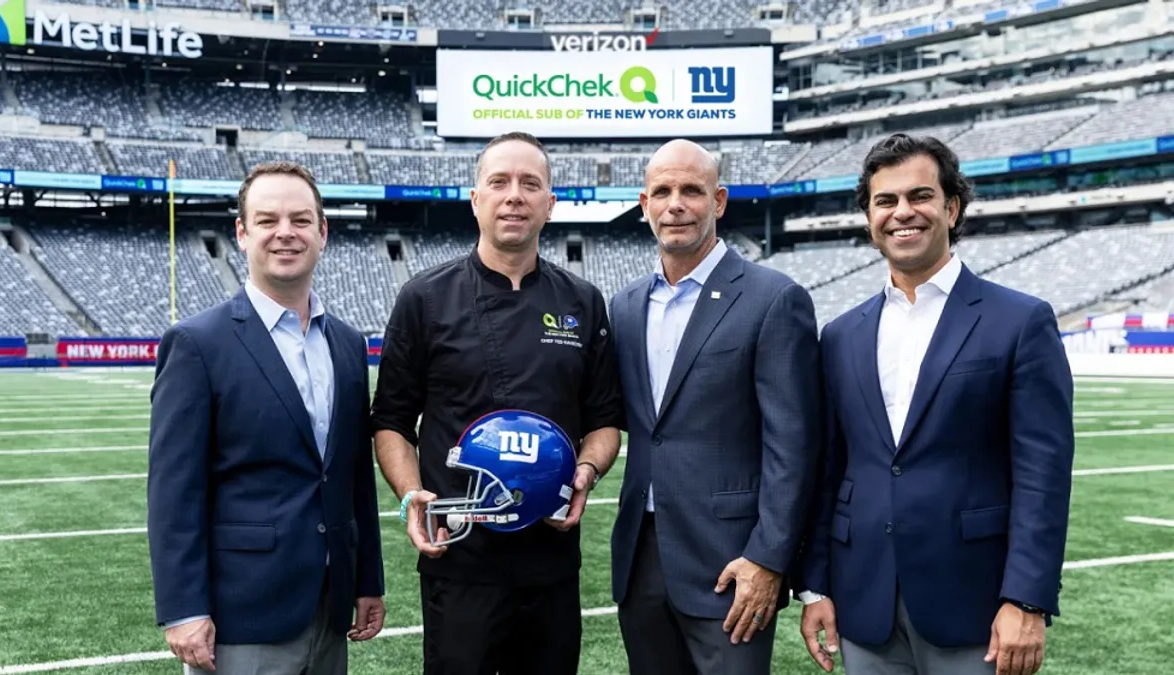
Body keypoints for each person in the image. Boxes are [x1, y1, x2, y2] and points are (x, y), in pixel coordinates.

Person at [792, 133, 1075, 675]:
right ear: (868, 217)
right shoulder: (842, 333)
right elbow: (829, 472)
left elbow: (1044, 473)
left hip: (976, 602)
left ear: (951, 206)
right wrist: (814, 586)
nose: (903, 213)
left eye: (919, 196)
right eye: (885, 201)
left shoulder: (1019, 320)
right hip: (862, 598)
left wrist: (1028, 599)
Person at [370, 130, 625, 675]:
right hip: (459, 555)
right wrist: (412, 493)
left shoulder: (583, 301)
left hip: (550, 557)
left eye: (530, 184)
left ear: (550, 204)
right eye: (499, 182)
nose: (515, 195)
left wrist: (585, 472)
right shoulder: (423, 297)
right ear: (475, 199)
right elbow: (391, 421)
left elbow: (605, 422)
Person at [147, 161, 386, 674]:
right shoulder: (196, 343)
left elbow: (352, 475)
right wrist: (183, 608)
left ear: (323, 232)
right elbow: (173, 491)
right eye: (268, 219)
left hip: (330, 605)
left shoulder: (347, 343)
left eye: (301, 220)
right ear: (242, 232)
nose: (285, 233)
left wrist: (368, 579)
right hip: (243, 611)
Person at [609, 138, 823, 675]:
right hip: (642, 555)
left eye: (691, 190)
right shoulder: (627, 305)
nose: (675, 204)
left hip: (732, 561)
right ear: (644, 204)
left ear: (720, 201)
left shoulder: (773, 297)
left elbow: (793, 445)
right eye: (662, 191)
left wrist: (769, 558)